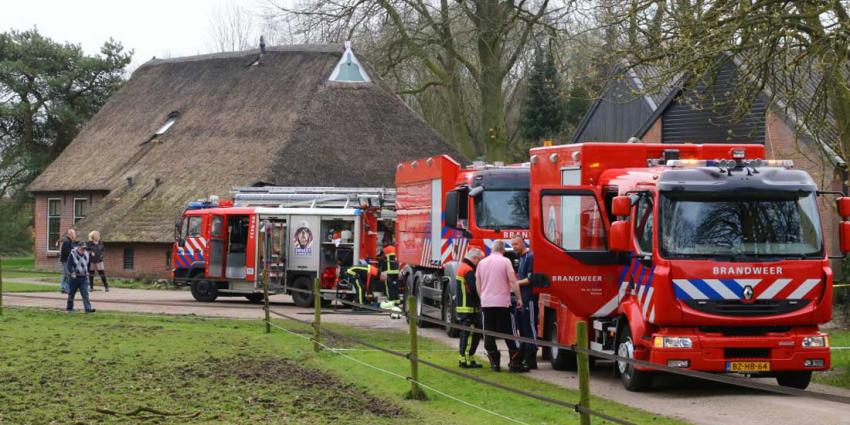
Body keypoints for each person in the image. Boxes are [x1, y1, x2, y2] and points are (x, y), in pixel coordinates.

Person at [475, 240, 527, 373]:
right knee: (509, 332)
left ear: (492, 249)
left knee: (489, 333)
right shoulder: (505, 262)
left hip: (487, 303)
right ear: (503, 250)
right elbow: (513, 282)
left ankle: (494, 363)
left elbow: (478, 283)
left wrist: (482, 297)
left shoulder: (481, 263)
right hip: (503, 303)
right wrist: (519, 298)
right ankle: (514, 363)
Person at [456, 248, 485, 369]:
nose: (480, 263)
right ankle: (466, 360)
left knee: (467, 334)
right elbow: (474, 290)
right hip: (469, 308)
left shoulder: (462, 267)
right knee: (470, 335)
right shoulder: (468, 270)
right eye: (480, 260)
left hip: (464, 307)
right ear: (475, 258)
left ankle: (467, 358)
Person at [511, 235, 537, 370]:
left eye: (516, 244)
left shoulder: (530, 257)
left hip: (529, 298)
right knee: (521, 328)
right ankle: (524, 356)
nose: (513, 247)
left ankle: (531, 358)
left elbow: (530, 279)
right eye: (512, 244)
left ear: (523, 243)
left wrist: (514, 284)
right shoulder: (521, 258)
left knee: (530, 327)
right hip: (521, 299)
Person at [66, 243, 95, 313]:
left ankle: (88, 309)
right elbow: (69, 265)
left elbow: (88, 264)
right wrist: (72, 272)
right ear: (78, 247)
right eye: (82, 248)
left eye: (85, 248)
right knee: (71, 294)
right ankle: (69, 309)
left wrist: (88, 271)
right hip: (74, 278)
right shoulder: (72, 254)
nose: (84, 249)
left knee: (85, 294)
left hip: (84, 277)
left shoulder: (86, 254)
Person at [58, 229, 77, 294]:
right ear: (71, 234)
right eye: (74, 234)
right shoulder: (67, 242)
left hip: (68, 261)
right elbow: (67, 252)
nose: (75, 235)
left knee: (66, 274)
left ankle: (64, 288)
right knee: (67, 274)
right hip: (66, 261)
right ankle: (65, 288)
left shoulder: (70, 241)